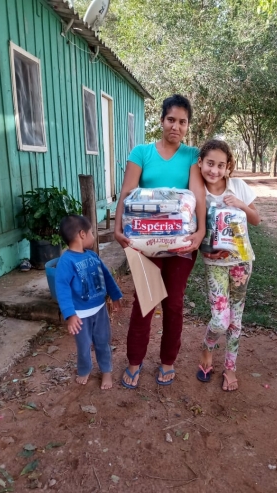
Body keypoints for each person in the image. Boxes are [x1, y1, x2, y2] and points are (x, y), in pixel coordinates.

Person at [114, 94, 206, 388]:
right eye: (170, 120)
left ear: (188, 125)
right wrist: (118, 229)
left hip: (181, 247)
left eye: (182, 122)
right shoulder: (141, 152)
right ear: (161, 120)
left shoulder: (192, 156)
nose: (175, 126)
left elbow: (198, 197)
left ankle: (167, 362)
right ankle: (134, 361)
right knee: (145, 303)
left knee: (174, 305)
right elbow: (127, 193)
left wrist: (201, 231)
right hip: (144, 245)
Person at [196, 139, 260, 391]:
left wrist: (241, 205)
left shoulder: (238, 187)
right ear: (201, 163)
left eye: (221, 165)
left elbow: (256, 219)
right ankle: (207, 348)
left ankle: (230, 367)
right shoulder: (197, 190)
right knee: (221, 320)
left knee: (236, 320)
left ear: (228, 167)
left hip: (242, 261)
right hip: (215, 263)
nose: (214, 170)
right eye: (210, 163)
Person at [55, 215, 122, 390]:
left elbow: (106, 276)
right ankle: (85, 369)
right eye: (92, 232)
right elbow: (62, 288)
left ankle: (106, 370)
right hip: (80, 315)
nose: (93, 236)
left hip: (100, 310)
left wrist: (115, 295)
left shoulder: (92, 256)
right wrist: (70, 315)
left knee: (103, 341)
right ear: (82, 234)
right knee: (83, 346)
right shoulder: (66, 261)